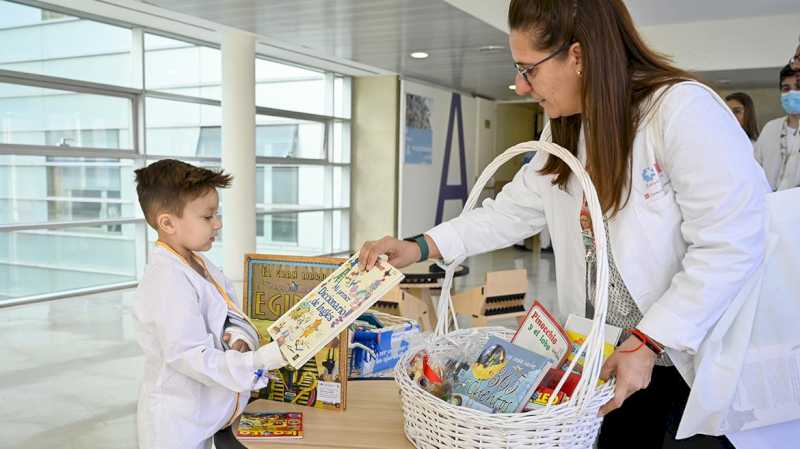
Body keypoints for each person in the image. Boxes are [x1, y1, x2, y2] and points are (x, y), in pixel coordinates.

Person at [359, 0, 769, 447]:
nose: (519, 85)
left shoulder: (681, 111)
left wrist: (650, 340)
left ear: (578, 56)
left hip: (688, 360)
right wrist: (419, 247)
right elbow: (509, 212)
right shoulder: (568, 130)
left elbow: (732, 242)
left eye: (527, 69)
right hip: (608, 356)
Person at [133, 159, 288, 449]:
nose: (217, 224)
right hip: (176, 427)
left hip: (204, 415)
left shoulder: (197, 262)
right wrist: (260, 361)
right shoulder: (167, 280)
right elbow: (190, 355)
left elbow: (223, 312)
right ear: (167, 223)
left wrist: (238, 338)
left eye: (216, 214)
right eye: (207, 217)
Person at [754, 64, 800, 191]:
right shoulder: (770, 128)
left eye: (798, 87)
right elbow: (754, 168)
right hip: (771, 203)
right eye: (786, 88)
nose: (792, 93)